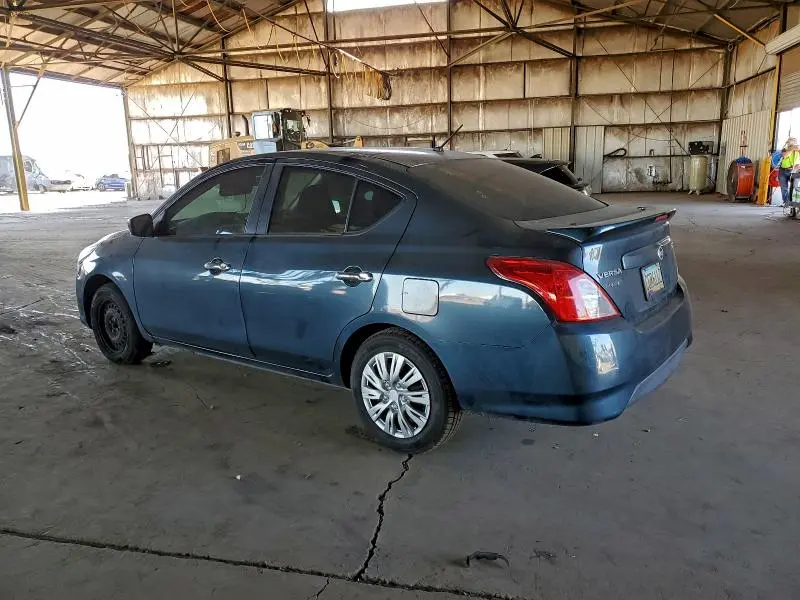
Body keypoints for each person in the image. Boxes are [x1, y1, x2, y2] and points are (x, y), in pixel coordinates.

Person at [778, 137, 800, 207]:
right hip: (783, 170)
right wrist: (792, 148)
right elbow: (785, 155)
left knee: (794, 187)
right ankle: (786, 202)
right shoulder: (785, 149)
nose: (789, 143)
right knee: (784, 188)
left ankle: (793, 203)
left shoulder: (798, 150)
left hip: (794, 171)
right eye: (789, 142)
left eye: (792, 141)